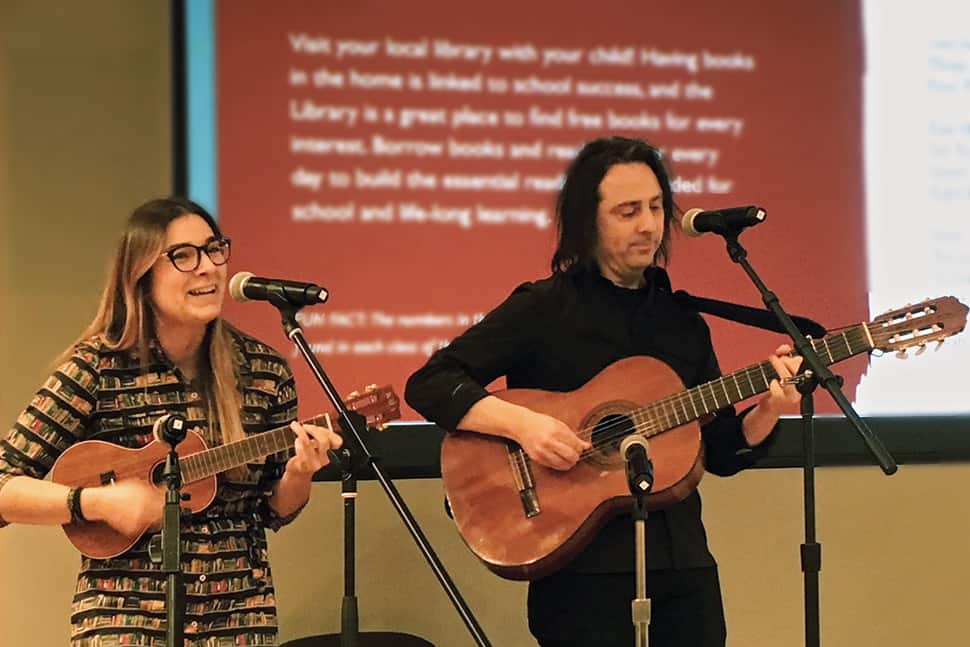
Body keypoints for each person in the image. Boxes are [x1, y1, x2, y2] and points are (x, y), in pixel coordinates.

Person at [405, 136, 803, 646]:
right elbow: (431, 383)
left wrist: (772, 404)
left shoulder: (681, 321)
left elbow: (721, 448)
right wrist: (526, 426)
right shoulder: (544, 308)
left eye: (657, 207)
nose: (648, 224)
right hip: (579, 572)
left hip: (682, 565)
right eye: (628, 210)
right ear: (588, 221)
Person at [0, 197, 342, 646]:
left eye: (214, 249)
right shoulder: (99, 367)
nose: (207, 267)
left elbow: (273, 509)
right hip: (125, 619)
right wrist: (95, 504)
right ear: (142, 274)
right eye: (183, 256)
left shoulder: (264, 371)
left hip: (239, 617)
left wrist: (300, 471)